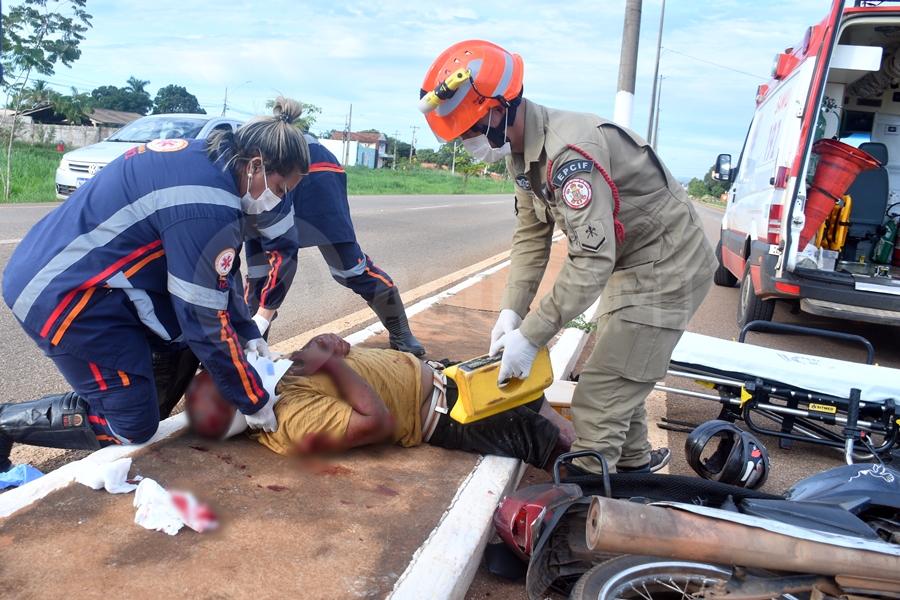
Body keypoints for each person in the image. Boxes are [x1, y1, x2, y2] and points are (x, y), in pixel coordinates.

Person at [418, 41, 716, 474]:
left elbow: (592, 260)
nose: (467, 146)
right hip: (631, 262)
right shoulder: (519, 155)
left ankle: (588, 509)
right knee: (620, 375)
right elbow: (530, 237)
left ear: (499, 111)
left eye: (468, 132)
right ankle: (634, 478)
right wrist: (510, 313)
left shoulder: (569, 155)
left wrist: (533, 335)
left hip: (667, 267)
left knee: (600, 399)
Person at [0, 98, 311, 472]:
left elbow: (216, 277)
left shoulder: (209, 162)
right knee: (134, 426)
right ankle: (6, 424)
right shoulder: (207, 202)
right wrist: (253, 400)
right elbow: (203, 319)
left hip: (76, 271)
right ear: (256, 165)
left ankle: (126, 396)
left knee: (176, 345)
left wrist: (247, 332)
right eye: (279, 188)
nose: (278, 199)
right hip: (63, 294)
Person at [185, 334, 574, 470]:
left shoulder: (274, 381)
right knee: (556, 445)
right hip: (446, 412)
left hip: (448, 377)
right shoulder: (290, 420)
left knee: (538, 401)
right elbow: (376, 423)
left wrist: (324, 342)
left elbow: (324, 362)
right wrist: (333, 368)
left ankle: (617, 473)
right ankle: (613, 510)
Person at [243, 134, 425, 356]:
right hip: (266, 178)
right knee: (258, 274)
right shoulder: (235, 170)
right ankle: (250, 346)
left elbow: (284, 255)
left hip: (320, 176)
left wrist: (263, 317)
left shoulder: (275, 173)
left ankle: (401, 331)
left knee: (350, 268)